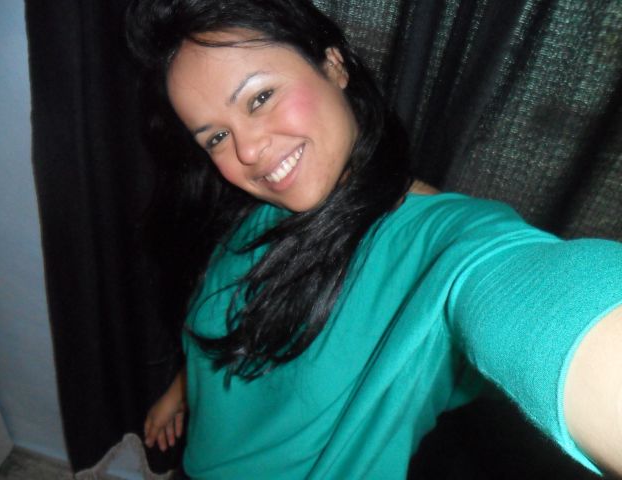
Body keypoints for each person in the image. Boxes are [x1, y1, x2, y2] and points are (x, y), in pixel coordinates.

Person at [125, 0, 622, 477]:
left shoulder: (445, 248)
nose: (248, 152)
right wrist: (183, 390)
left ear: (333, 65)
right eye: (215, 137)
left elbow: (542, 307)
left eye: (260, 98)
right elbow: (224, 319)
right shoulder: (253, 210)